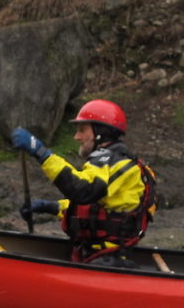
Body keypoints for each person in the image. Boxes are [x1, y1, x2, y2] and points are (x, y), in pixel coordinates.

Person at [11, 99, 157, 266]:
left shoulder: (117, 164)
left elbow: (83, 191)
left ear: (100, 132)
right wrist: (50, 207)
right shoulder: (111, 162)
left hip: (110, 259)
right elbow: (95, 207)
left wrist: (41, 153)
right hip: (94, 255)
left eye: (82, 130)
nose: (77, 137)